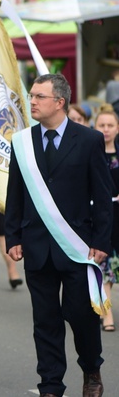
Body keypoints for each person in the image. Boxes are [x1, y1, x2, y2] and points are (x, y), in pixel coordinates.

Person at [5, 73, 113, 397]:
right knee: (45, 322)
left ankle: (91, 368)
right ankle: (51, 385)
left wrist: (101, 242)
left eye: (39, 96)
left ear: (59, 102)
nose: (32, 102)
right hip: (37, 247)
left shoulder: (89, 140)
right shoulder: (22, 142)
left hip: (78, 246)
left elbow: (103, 196)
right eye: (32, 96)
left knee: (81, 317)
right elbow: (16, 192)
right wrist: (13, 236)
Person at [93, 105, 119, 333]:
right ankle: (106, 314)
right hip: (99, 217)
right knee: (104, 269)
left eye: (110, 125)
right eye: (102, 125)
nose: (106, 130)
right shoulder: (92, 152)